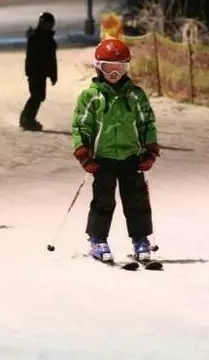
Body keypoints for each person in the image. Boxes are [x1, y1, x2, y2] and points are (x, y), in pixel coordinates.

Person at [71, 38, 159, 263]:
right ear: (99, 67)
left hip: (131, 156)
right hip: (103, 158)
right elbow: (81, 125)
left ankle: (141, 239)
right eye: (109, 68)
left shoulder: (135, 95)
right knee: (103, 200)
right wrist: (83, 153)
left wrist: (149, 151)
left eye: (119, 68)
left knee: (137, 199)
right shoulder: (91, 96)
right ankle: (97, 239)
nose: (114, 74)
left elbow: (146, 123)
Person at [20, 12, 57, 130]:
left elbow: (52, 58)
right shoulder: (35, 37)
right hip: (35, 71)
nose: (49, 26)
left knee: (40, 96)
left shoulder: (49, 38)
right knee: (36, 95)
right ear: (42, 23)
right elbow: (31, 56)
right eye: (47, 24)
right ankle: (27, 118)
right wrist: (31, 71)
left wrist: (53, 74)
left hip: (42, 72)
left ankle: (27, 118)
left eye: (51, 24)